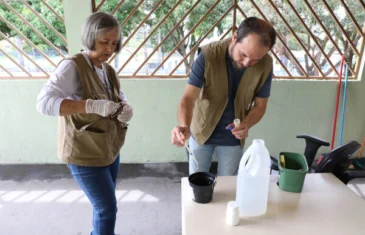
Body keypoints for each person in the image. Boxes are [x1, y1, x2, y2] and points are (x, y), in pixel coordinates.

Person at [36, 12, 133, 235]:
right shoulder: (72, 67)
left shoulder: (107, 70)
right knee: (107, 208)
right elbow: (43, 103)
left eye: (114, 43)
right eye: (104, 42)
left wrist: (125, 106)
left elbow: (118, 95)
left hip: (108, 148)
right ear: (90, 38)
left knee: (103, 206)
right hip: (84, 153)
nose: (110, 49)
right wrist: (89, 106)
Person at [171, 17, 276, 176]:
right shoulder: (208, 56)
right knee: (198, 183)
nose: (247, 63)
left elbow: (260, 106)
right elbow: (188, 99)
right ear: (234, 37)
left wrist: (246, 124)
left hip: (233, 139)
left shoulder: (266, 64)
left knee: (228, 187)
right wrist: (183, 126)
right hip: (201, 132)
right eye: (243, 54)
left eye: (256, 60)